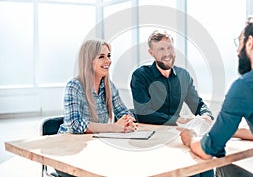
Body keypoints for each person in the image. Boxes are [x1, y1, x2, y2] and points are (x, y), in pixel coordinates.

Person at [179, 15, 253, 177]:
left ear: (250, 42)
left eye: (240, 41)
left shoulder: (245, 85)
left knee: (218, 168)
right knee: (225, 169)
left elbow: (208, 150)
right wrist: (226, 129)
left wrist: (190, 138)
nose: (237, 50)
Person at [130, 30, 214, 177]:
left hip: (175, 134)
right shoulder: (141, 75)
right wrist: (178, 120)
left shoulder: (183, 75)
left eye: (169, 48)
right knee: (191, 172)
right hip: (152, 137)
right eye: (161, 49)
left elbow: (197, 104)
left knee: (205, 164)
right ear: (151, 53)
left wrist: (206, 115)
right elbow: (143, 112)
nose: (167, 53)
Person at [57, 39, 138, 177]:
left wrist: (127, 120)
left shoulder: (108, 86)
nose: (108, 61)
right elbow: (75, 125)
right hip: (69, 153)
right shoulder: (74, 86)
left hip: (94, 148)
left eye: (109, 56)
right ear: (88, 61)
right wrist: (114, 127)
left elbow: (124, 112)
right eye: (102, 57)